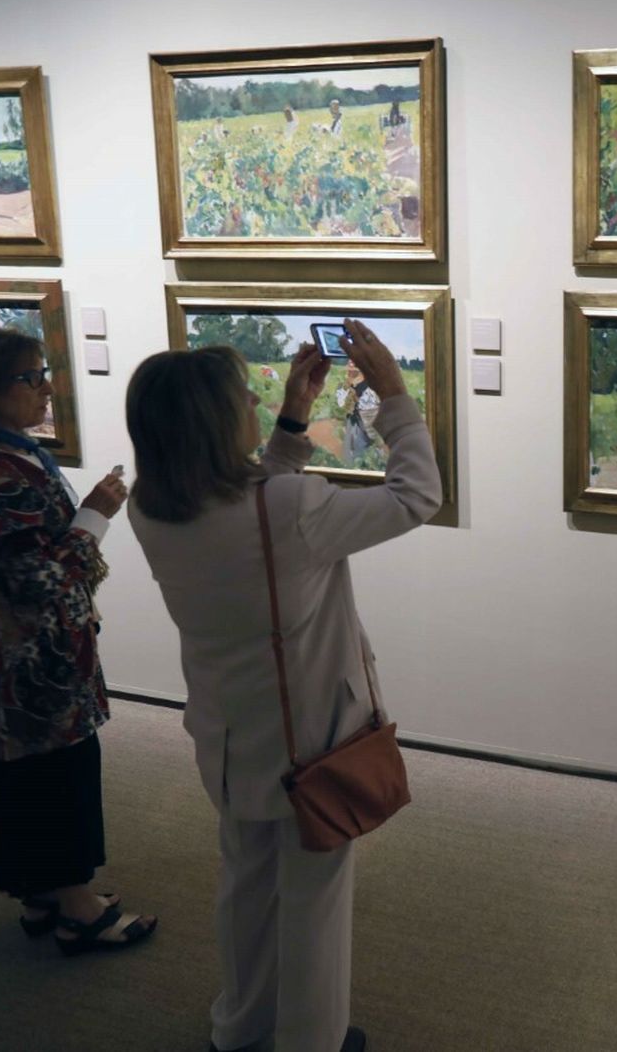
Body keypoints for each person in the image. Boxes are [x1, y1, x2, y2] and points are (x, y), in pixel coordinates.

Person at [125, 321, 440, 1052]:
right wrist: (392, 392)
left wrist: (293, 422)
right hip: (313, 740)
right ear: (219, 420)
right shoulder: (295, 509)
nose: (253, 402)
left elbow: (251, 499)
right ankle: (312, 1040)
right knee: (315, 901)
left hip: (230, 734)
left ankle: (237, 1029)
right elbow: (417, 493)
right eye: (244, 397)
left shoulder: (150, 507)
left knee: (246, 888)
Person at [0, 325, 157, 955]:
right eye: (32, 378)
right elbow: (40, 578)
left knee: (21, 769)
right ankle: (77, 907)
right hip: (27, 654)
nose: (47, 388)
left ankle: (41, 894)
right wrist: (96, 514)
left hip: (3, 646)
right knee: (57, 769)